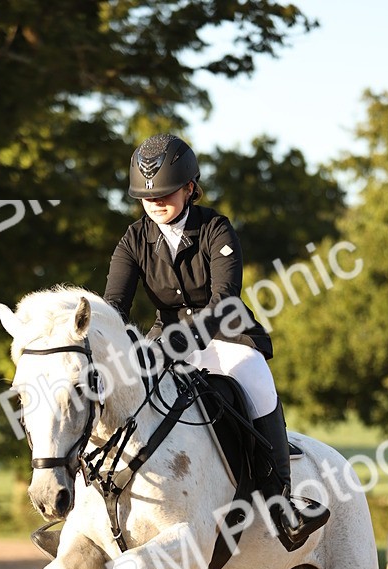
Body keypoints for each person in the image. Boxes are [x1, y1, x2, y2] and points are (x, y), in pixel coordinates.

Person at [103, 133, 329, 546]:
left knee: (258, 381)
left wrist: (174, 346)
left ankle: (283, 503)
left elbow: (224, 303)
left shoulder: (215, 228)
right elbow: (114, 306)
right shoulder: (133, 240)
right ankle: (90, 508)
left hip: (225, 336)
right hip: (164, 340)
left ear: (189, 187)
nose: (156, 202)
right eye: (146, 196)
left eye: (167, 193)